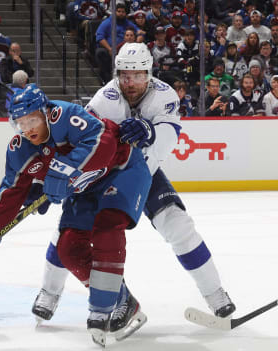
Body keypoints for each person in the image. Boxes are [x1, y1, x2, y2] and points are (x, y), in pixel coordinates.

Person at [30, 43, 236, 331]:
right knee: (69, 228)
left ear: (149, 73)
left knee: (178, 225)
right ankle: (49, 293)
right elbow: (81, 143)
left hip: (143, 168)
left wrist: (150, 131)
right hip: (106, 172)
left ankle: (215, 294)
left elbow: (164, 143)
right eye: (125, 76)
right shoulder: (105, 99)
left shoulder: (165, 96)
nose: (130, 83)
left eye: (137, 76)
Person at [0, 82, 152, 346]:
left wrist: (61, 172)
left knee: (108, 227)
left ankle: (102, 308)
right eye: (20, 124)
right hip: (85, 188)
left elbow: (103, 142)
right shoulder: (20, 150)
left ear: (45, 112)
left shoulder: (65, 115)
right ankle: (122, 299)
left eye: (32, 121)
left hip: (122, 170)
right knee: (69, 247)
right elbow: (9, 193)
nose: (27, 130)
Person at [95, 3, 139, 82]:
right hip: (109, 49)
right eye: (119, 11)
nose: (121, 14)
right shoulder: (107, 22)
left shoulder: (127, 23)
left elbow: (139, 32)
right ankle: (105, 80)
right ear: (114, 12)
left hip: (125, 49)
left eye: (123, 12)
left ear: (126, 13)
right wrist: (110, 49)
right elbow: (99, 37)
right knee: (100, 52)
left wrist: (139, 39)